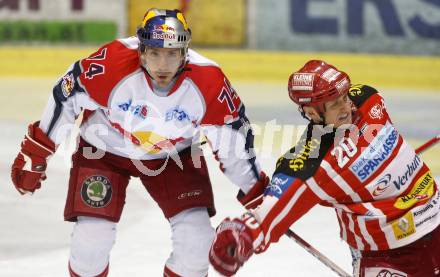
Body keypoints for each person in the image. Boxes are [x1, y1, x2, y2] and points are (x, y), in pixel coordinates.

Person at [10, 8, 269, 277]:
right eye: (155, 52)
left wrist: (258, 194)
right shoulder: (112, 63)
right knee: (91, 241)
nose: (162, 65)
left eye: (172, 53)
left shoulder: (210, 83)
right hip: (104, 150)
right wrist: (37, 151)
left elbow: (233, 143)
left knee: (197, 244)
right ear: (142, 50)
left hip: (175, 157)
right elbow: (68, 95)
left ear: (185, 52)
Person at [209, 60, 440, 277]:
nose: (346, 106)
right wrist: (241, 234)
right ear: (311, 113)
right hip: (390, 255)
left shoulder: (368, 98)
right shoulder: (310, 163)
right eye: (334, 104)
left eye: (344, 96)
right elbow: (268, 215)